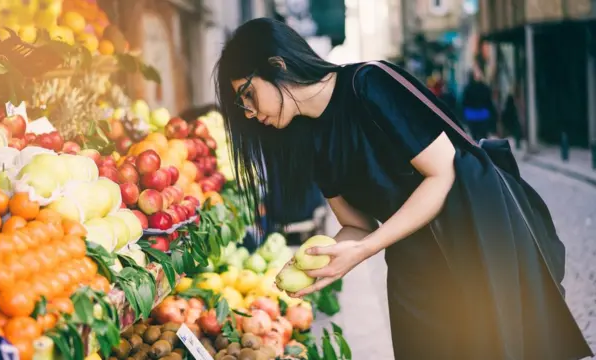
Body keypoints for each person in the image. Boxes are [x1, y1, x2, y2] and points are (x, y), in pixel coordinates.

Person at [215, 18, 592, 360]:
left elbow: (442, 175)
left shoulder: (369, 83)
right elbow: (358, 225)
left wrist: (363, 249)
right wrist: (325, 264)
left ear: (277, 66)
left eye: (246, 95)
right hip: (414, 268)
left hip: (474, 240)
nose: (249, 113)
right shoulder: (311, 142)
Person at [461, 70, 496, 142]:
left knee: (474, 136)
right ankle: (482, 149)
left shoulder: (468, 88)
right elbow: (489, 103)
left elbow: (464, 103)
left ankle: (477, 149)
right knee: (483, 136)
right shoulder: (485, 88)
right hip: (482, 115)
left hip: (471, 115)